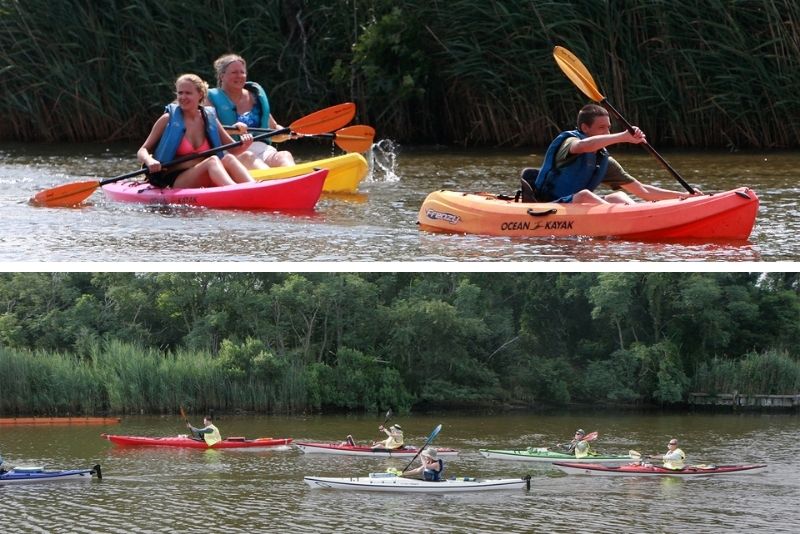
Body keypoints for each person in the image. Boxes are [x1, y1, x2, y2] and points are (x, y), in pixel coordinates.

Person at [520, 104, 702, 204]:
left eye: (609, 128)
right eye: (601, 128)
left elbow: (644, 191)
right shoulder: (570, 143)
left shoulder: (603, 161)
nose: (607, 133)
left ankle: (638, 218)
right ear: (585, 128)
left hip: (573, 206)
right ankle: (630, 221)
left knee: (619, 196)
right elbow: (583, 146)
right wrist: (623, 136)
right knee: (585, 195)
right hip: (545, 204)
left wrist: (685, 196)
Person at [138, 74, 256, 189]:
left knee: (228, 159)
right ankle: (235, 191)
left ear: (200, 94)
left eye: (188, 93)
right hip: (174, 178)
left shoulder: (210, 118)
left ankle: (254, 187)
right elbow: (142, 150)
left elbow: (234, 150)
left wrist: (245, 142)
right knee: (213, 160)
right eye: (180, 93)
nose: (183, 97)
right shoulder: (167, 119)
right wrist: (149, 160)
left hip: (203, 172)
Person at [208, 54, 295, 170]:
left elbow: (274, 132)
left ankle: (297, 182)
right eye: (234, 72)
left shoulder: (256, 97)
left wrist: (289, 133)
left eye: (242, 72)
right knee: (249, 157)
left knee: (284, 155)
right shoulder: (209, 98)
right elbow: (209, 132)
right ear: (222, 76)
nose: (239, 76)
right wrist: (232, 130)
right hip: (230, 151)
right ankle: (273, 182)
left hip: (261, 149)